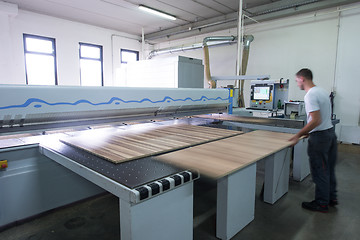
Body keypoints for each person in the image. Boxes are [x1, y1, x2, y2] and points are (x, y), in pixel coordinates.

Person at [289, 68, 338, 213]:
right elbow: (322, 118)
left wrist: (298, 135)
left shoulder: (310, 95)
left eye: (297, 80)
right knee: (328, 168)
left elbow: (316, 120)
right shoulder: (321, 91)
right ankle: (331, 198)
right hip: (329, 133)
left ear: (303, 79)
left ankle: (322, 203)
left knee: (319, 170)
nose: (297, 83)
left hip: (320, 138)